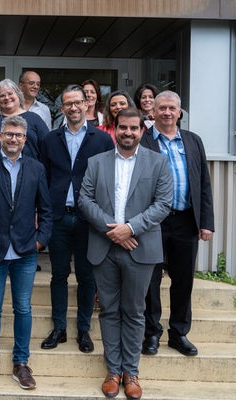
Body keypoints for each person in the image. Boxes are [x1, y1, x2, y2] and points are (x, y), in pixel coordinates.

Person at [79, 107, 172, 400]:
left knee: (134, 311)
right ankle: (113, 371)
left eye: (134, 128)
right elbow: (85, 199)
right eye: (123, 128)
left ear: (142, 130)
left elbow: (163, 204)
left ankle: (131, 372)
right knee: (108, 310)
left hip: (140, 248)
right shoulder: (96, 162)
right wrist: (113, 232)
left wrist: (130, 229)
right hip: (104, 247)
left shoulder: (158, 163)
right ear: (114, 129)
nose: (128, 133)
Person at [0, 115, 52, 390]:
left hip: (26, 251)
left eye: (18, 135)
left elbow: (47, 211)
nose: (13, 139)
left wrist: (40, 242)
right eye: (9, 134)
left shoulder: (37, 168)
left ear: (25, 140)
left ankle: (21, 363)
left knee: (23, 307)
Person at [40, 85, 114, 354]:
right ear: (62, 109)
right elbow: (43, 178)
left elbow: (108, 182)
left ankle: (84, 329)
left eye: (78, 102)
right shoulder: (49, 139)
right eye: (68, 104)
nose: (73, 107)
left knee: (86, 275)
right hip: (58, 217)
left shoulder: (103, 140)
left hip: (88, 219)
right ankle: (58, 327)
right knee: (58, 274)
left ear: (86, 105)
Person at [141, 91, 214, 357]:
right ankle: (151, 333)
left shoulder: (193, 141)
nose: (167, 113)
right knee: (150, 279)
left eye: (172, 108)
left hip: (186, 220)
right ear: (153, 112)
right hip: (153, 222)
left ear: (180, 112)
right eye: (162, 108)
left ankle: (179, 333)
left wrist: (206, 221)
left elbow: (203, 183)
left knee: (183, 280)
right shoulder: (144, 140)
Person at [0, 79, 49, 161]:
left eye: (10, 93)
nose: (7, 98)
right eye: (2, 95)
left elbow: (47, 147)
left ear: (18, 95)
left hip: (30, 170)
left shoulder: (34, 119)